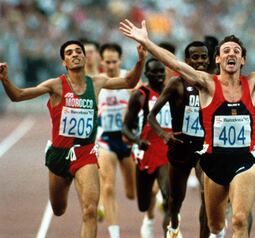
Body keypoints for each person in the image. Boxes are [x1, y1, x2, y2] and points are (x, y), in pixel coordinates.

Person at [119, 4, 255, 237]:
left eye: (236, 51)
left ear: (243, 60)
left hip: (244, 160)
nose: (231, 54)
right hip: (213, 161)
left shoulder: (254, 81)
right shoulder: (207, 83)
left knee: (239, 220)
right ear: (218, 58)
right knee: (216, 225)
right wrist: (146, 41)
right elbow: (175, 63)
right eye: (226, 50)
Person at [0, 40, 146, 238]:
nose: (75, 54)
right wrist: (5, 80)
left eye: (79, 51)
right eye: (69, 53)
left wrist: (140, 60)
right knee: (58, 209)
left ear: (85, 58)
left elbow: (129, 82)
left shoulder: (96, 82)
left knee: (90, 210)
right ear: (64, 62)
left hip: (85, 153)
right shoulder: (56, 85)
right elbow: (18, 95)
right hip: (59, 155)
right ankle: (61, 173)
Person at [148, 41, 210, 238]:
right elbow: (152, 116)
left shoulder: (214, 83)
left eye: (203, 57)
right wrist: (164, 135)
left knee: (206, 195)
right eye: (195, 57)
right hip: (180, 147)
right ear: (187, 60)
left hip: (203, 148)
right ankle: (174, 223)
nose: (200, 61)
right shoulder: (176, 83)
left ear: (209, 59)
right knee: (176, 199)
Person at [122, 58, 171, 238]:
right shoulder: (140, 95)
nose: (159, 76)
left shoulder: (173, 92)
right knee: (142, 203)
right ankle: (151, 205)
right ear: (147, 74)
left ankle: (171, 231)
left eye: (161, 72)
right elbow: (125, 127)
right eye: (154, 72)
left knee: (170, 200)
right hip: (146, 150)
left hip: (166, 151)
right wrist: (136, 140)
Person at [96, 42, 137, 238]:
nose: (111, 65)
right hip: (105, 140)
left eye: (114, 61)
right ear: (101, 61)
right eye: (107, 62)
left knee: (132, 193)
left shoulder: (129, 79)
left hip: (127, 140)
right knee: (108, 185)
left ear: (119, 60)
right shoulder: (96, 82)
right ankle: (114, 233)